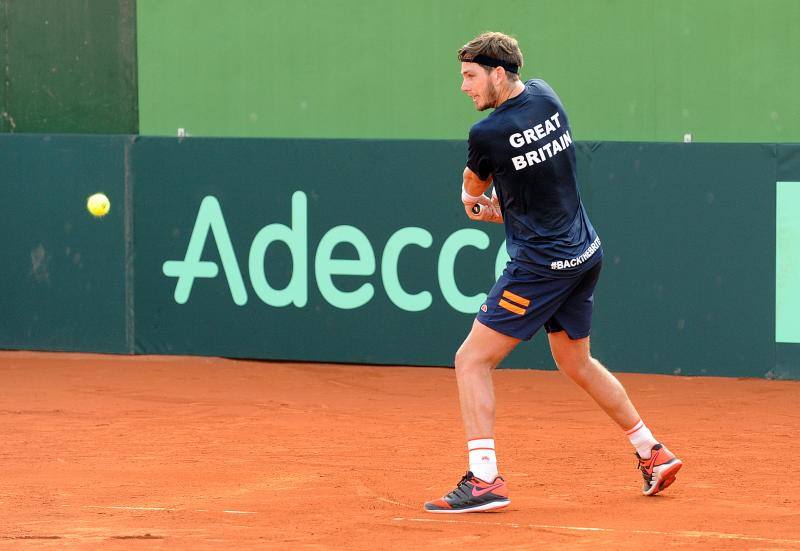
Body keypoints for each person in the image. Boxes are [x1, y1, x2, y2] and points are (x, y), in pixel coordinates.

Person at [423, 32, 682, 514]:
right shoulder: (546, 96)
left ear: (498, 73)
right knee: (575, 362)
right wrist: (499, 208)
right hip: (584, 252)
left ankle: (484, 480)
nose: (464, 87)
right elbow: (535, 187)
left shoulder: (487, 134)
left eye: (470, 76)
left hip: (540, 267)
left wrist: (471, 200)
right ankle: (652, 451)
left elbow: (474, 186)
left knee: (471, 360)